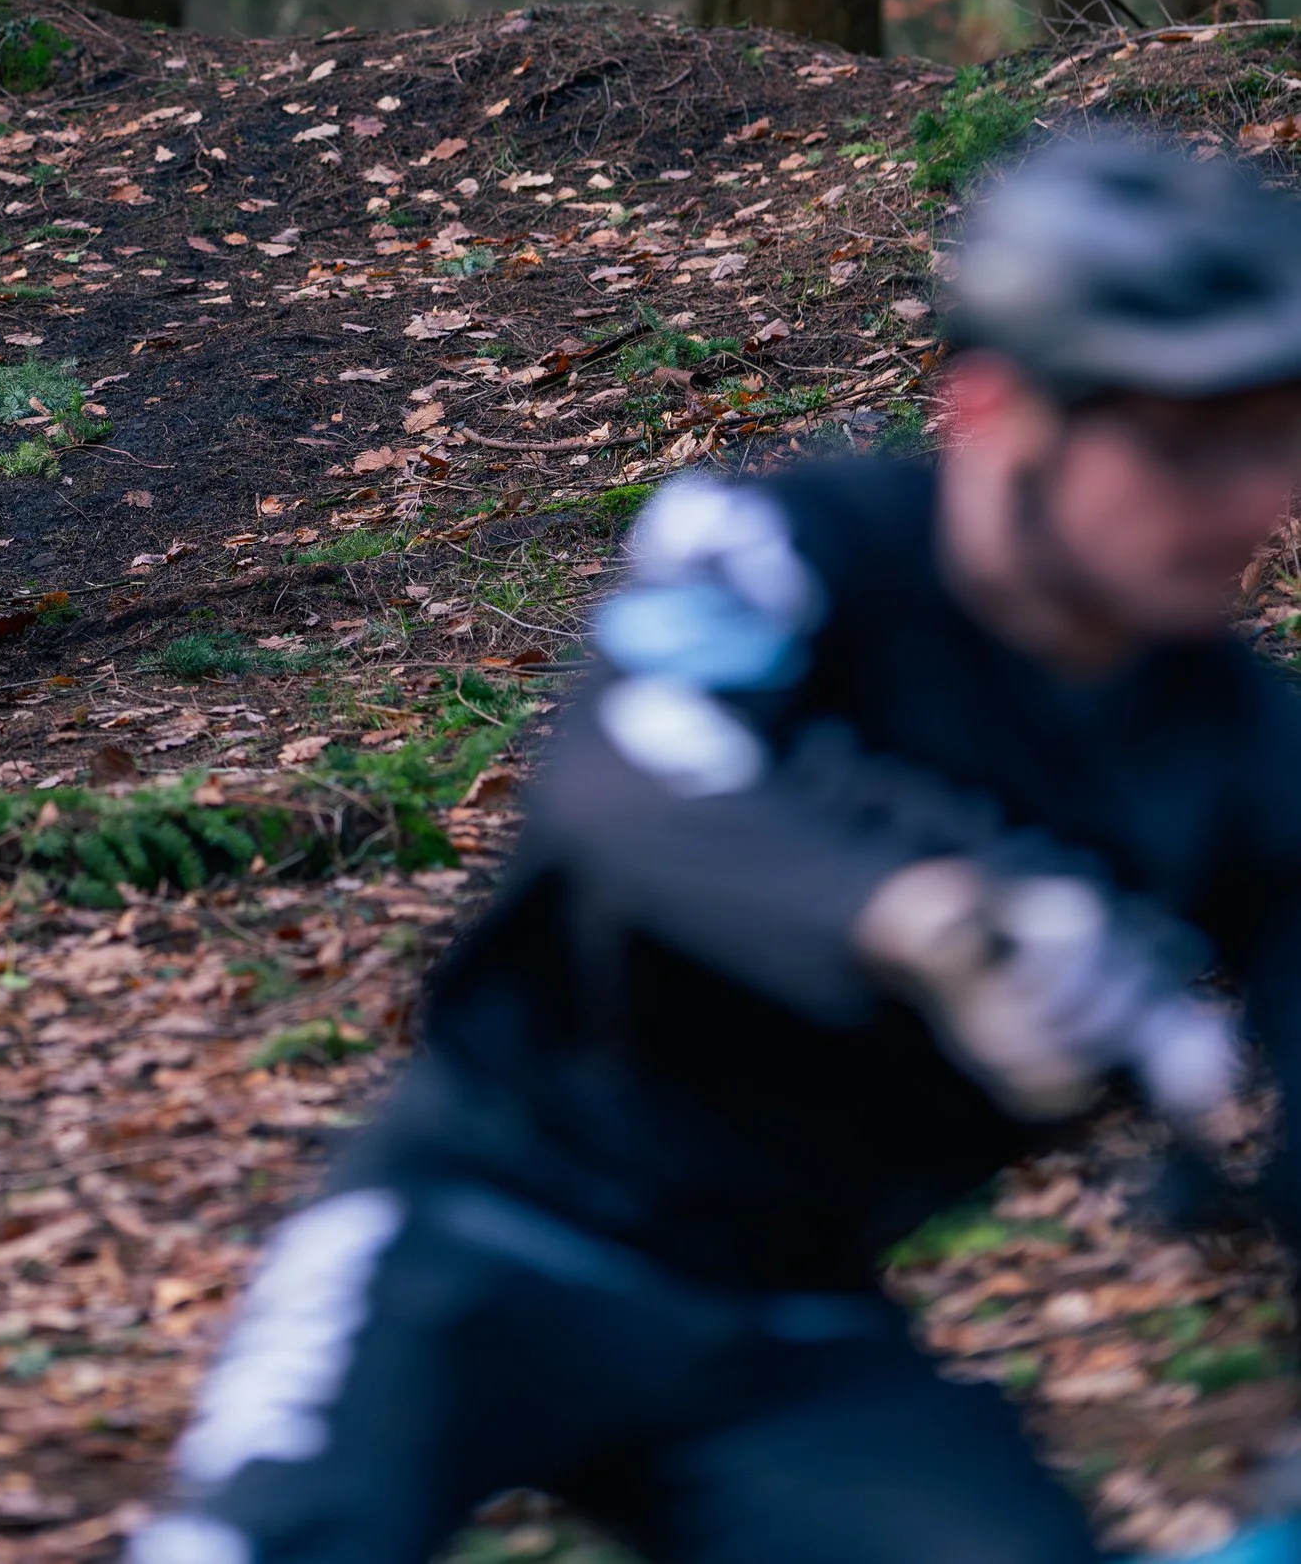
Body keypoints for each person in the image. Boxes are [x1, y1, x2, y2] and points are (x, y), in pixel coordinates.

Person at [130, 126, 1301, 1564]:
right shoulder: (790, 545)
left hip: (789, 1318)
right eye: (1184, 442)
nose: (1254, 498)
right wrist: (929, 921)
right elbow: (634, 778)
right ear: (997, 413)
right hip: (473, 1227)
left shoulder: (1243, 753)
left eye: (1274, 433)